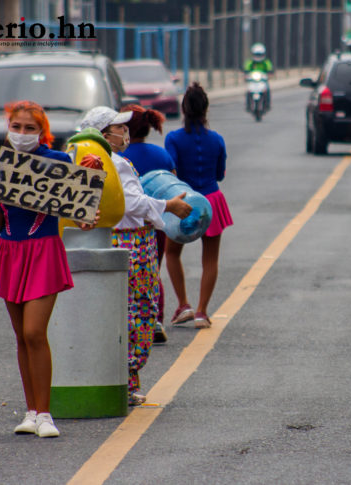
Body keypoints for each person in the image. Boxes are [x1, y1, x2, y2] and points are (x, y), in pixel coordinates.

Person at [0, 100, 99, 438]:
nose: (21, 134)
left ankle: (46, 414)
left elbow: (80, 210)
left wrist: (85, 214)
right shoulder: (1, 166)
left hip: (44, 252)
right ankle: (30, 411)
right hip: (10, 253)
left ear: (41, 131)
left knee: (35, 332)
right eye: (16, 127)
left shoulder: (58, 162)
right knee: (21, 336)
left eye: (29, 128)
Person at [79, 106, 192, 405]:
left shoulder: (89, 161)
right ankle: (127, 379)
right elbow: (129, 204)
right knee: (139, 312)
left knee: (119, 311)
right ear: (104, 135)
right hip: (132, 243)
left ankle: (121, 378)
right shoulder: (113, 163)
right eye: (119, 127)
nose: (125, 132)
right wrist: (168, 206)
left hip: (112, 239)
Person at [164, 82, 233, 329]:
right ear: (206, 108)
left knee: (172, 252)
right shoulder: (216, 139)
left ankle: (184, 304)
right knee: (210, 259)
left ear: (184, 109)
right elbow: (220, 174)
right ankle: (202, 312)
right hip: (211, 201)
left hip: (184, 199)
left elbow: (171, 172)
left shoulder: (173, 138)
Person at [120, 104, 175, 344]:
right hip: (157, 222)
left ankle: (128, 320)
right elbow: (173, 184)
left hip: (127, 227)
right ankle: (156, 320)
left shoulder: (119, 158)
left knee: (125, 276)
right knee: (153, 272)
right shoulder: (161, 154)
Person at [243, 42, 273, 112]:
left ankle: (267, 104)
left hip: (262, 80)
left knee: (267, 90)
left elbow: (270, 70)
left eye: (260, 55)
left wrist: (269, 75)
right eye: (257, 54)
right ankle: (248, 104)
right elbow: (246, 70)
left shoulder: (266, 62)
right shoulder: (250, 62)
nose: (258, 56)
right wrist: (245, 76)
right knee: (248, 90)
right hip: (253, 80)